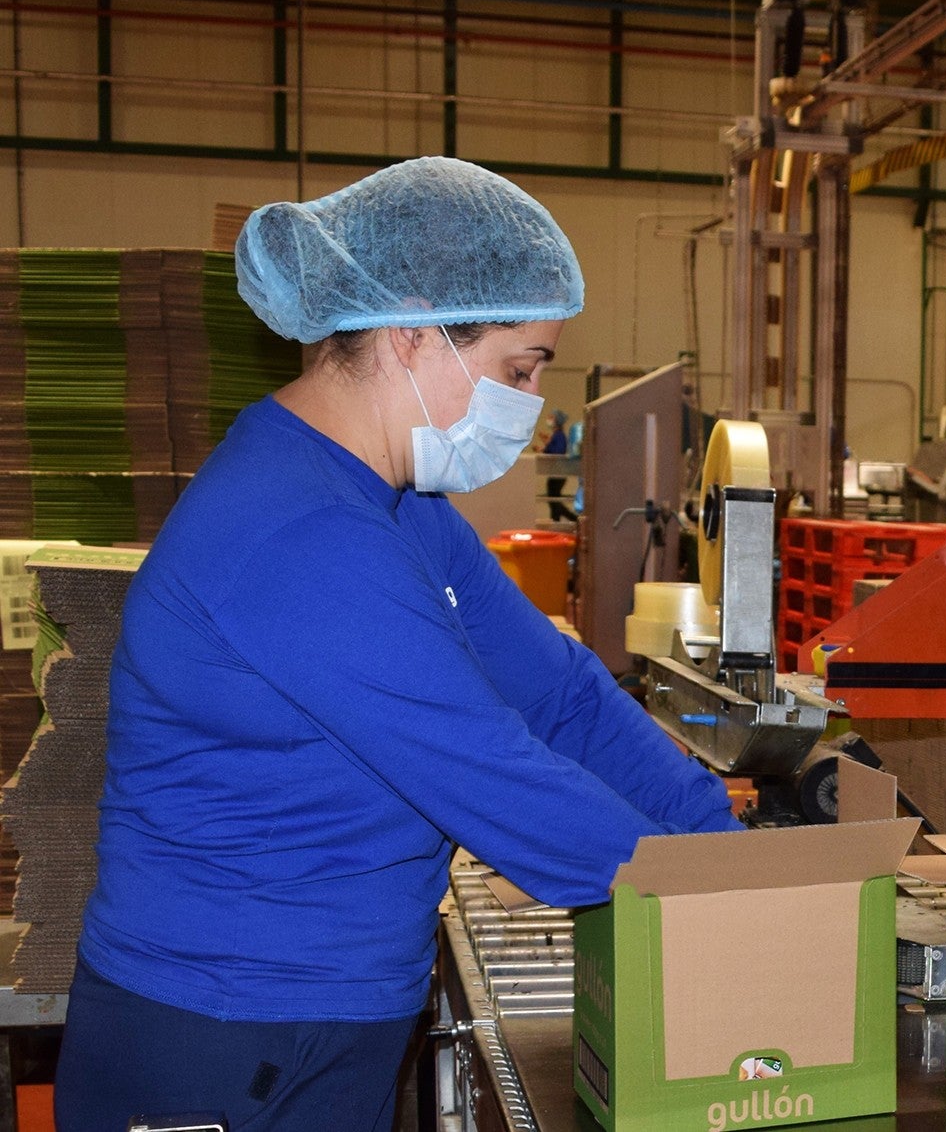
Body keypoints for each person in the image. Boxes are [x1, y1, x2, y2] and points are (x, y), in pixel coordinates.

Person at [54, 157, 743, 1131]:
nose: (528, 403)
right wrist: (723, 896)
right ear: (413, 333)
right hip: (221, 1031)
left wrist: (720, 843)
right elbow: (494, 774)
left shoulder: (400, 509)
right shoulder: (297, 532)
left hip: (320, 1015)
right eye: (518, 369)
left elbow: (560, 698)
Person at [542, 407, 577, 522]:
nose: (549, 419)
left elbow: (558, 451)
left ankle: (571, 519)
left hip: (559, 472)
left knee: (554, 500)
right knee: (553, 500)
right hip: (556, 471)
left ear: (557, 420)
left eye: (551, 417)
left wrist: (548, 445)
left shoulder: (559, 435)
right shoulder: (556, 435)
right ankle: (559, 520)